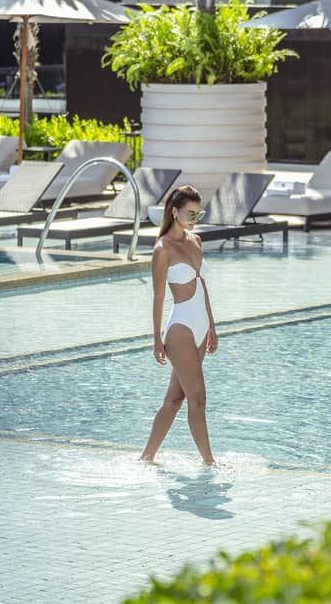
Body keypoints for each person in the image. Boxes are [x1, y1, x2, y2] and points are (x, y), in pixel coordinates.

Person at [140, 185, 218, 466]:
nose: (194, 218)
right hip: (180, 329)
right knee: (198, 399)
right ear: (174, 212)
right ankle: (210, 462)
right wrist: (156, 339)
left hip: (200, 328)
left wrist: (212, 326)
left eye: (199, 213)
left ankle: (146, 456)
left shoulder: (195, 240)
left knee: (174, 401)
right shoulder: (163, 249)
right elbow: (159, 297)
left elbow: (202, 284)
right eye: (190, 213)